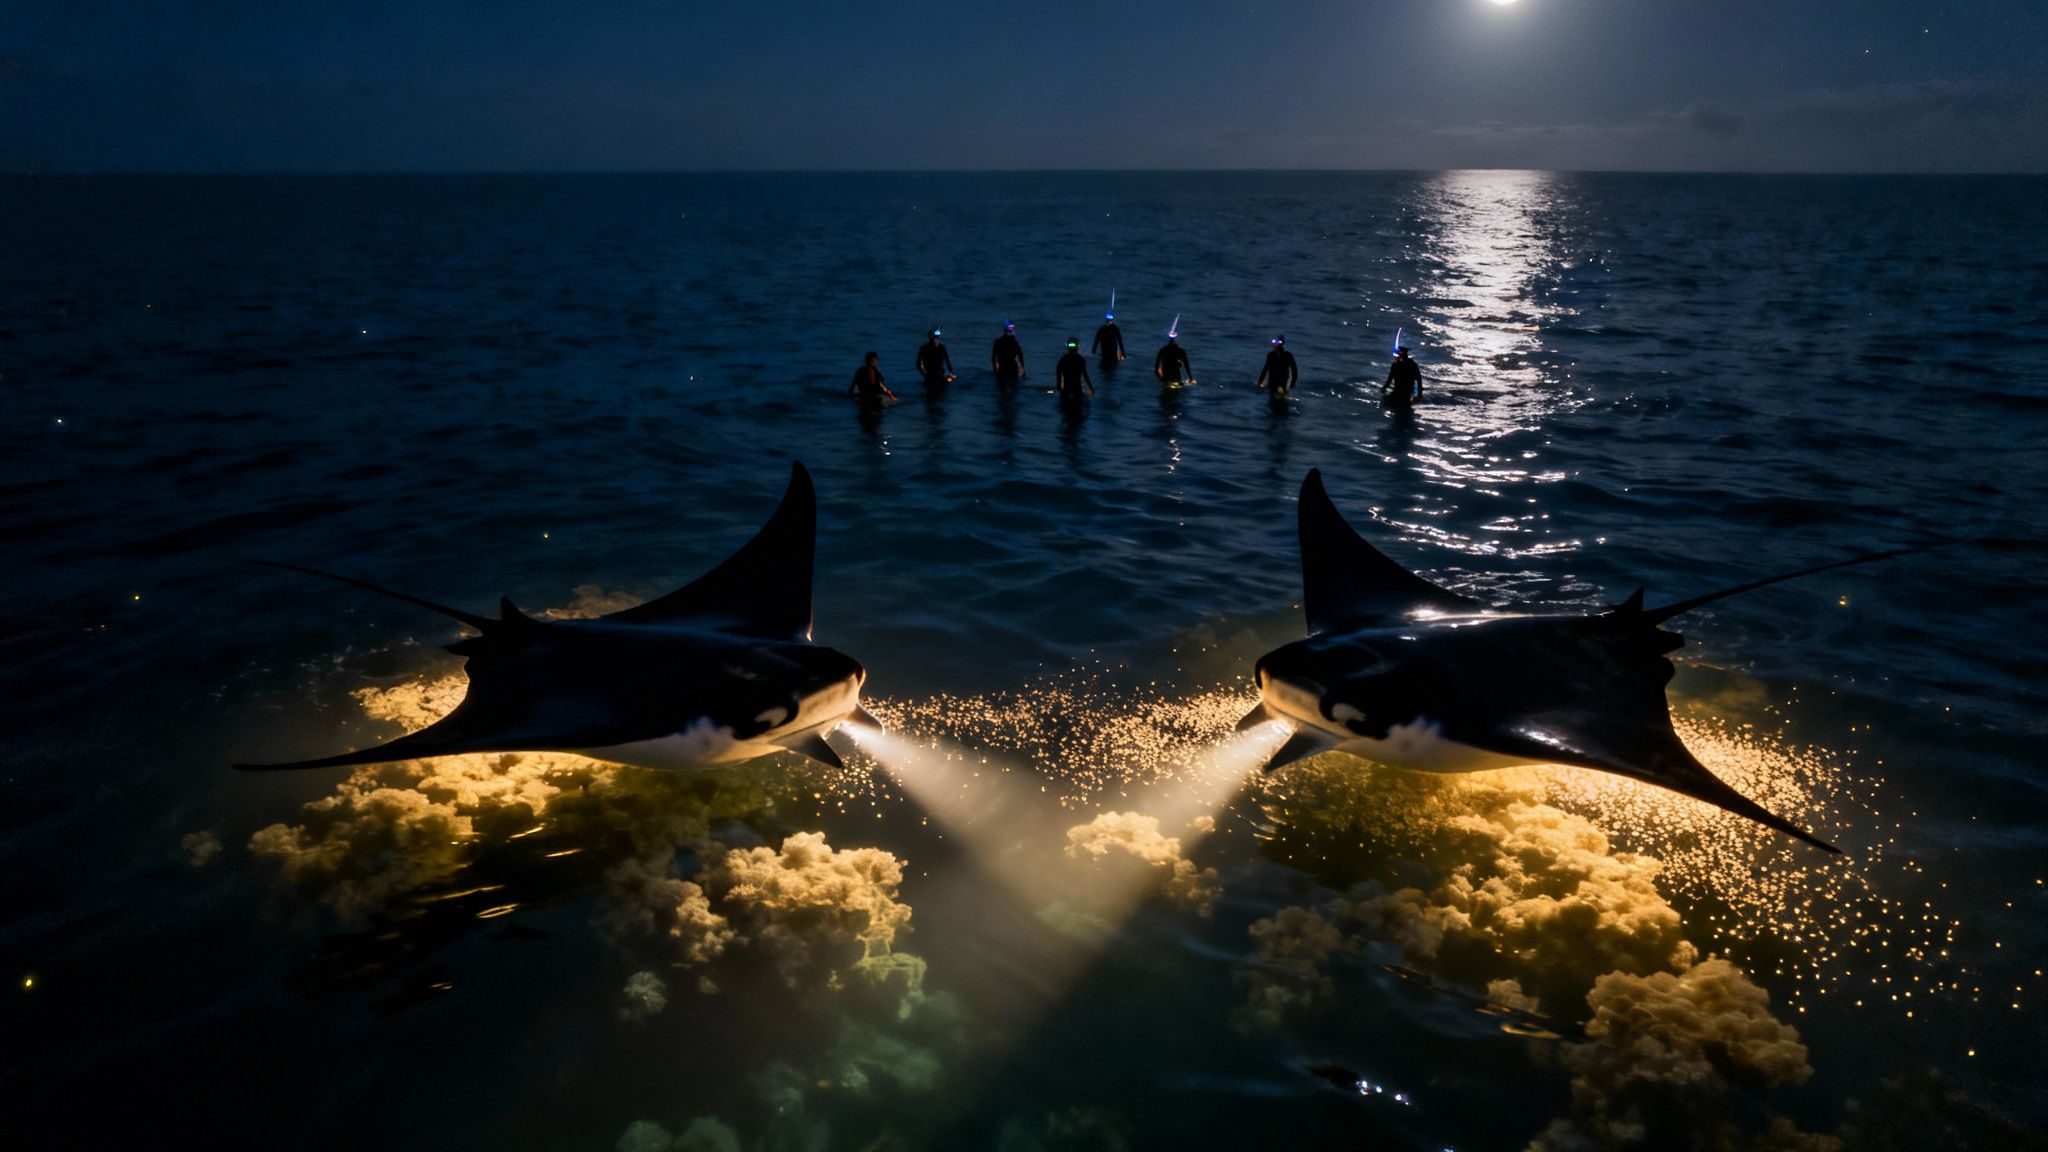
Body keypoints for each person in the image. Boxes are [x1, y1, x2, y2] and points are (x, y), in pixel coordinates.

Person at [1055, 338, 1095, 404]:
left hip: (1066, 390)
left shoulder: (1063, 359)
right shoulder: (1080, 360)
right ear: (1077, 347)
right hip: (1077, 390)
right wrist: (1091, 388)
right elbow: (1085, 375)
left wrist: (1058, 385)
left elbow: (1058, 373)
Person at [991, 321, 1026, 385]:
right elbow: (1021, 357)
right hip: (1011, 370)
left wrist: (995, 371)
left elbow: (993, 358)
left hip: (1002, 370)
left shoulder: (998, 342)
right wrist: (1023, 371)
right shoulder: (1014, 343)